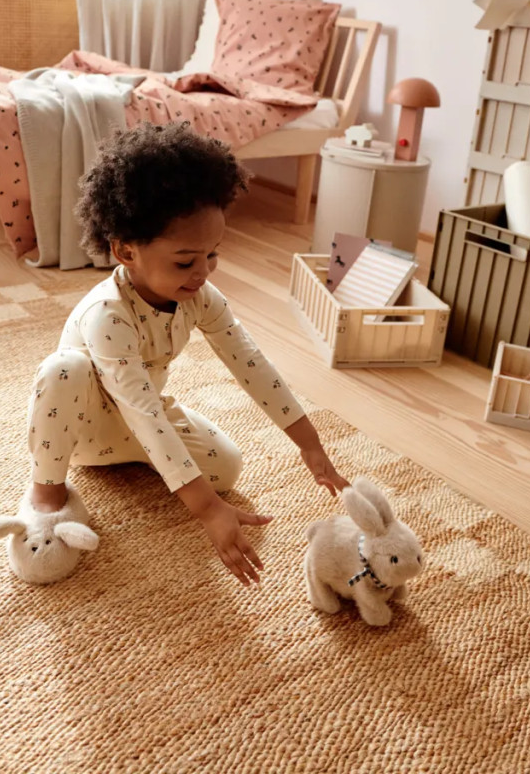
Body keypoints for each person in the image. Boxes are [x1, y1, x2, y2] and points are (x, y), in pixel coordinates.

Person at [26, 121, 350, 586]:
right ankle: (46, 495)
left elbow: (251, 364)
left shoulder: (200, 297)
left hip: (142, 418)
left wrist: (309, 443)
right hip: (86, 429)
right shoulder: (106, 315)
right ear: (125, 251)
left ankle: (141, 460)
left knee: (226, 467)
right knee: (64, 367)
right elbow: (140, 409)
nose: (203, 272)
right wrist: (208, 510)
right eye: (185, 261)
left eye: (212, 254)